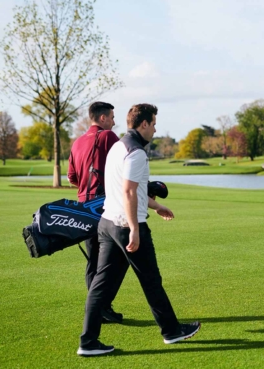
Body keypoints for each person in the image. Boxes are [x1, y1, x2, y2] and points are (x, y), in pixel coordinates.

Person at [77, 104, 200, 356]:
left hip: (107, 224)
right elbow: (129, 191)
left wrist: (156, 206)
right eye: (153, 123)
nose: (155, 129)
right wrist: (134, 228)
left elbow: (134, 190)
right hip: (125, 226)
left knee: (100, 285)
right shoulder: (136, 153)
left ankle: (88, 342)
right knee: (151, 280)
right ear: (143, 124)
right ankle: (172, 331)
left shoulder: (118, 146)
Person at [68, 101, 124, 323]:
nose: (113, 121)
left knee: (93, 260)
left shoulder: (77, 142)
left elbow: (72, 177)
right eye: (111, 117)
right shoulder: (109, 137)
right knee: (113, 259)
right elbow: (125, 163)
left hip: (84, 207)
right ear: (102, 118)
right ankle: (101, 307)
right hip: (105, 206)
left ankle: (97, 309)